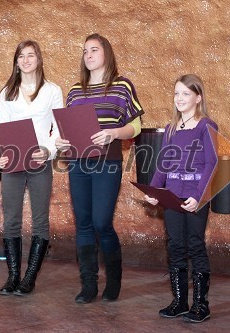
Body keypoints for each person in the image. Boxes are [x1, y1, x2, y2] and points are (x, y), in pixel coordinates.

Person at [55, 33, 144, 303]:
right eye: (85, 51)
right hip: (78, 162)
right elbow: (67, 127)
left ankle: (114, 278)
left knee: (101, 222)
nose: (89, 55)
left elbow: (136, 127)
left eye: (94, 49)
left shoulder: (121, 86)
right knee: (83, 223)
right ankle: (89, 284)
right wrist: (60, 141)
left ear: (106, 52)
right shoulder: (74, 91)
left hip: (107, 161)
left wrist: (114, 133)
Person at [144, 74, 218, 323]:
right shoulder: (171, 129)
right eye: (176, 93)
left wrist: (198, 196)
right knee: (175, 245)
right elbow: (164, 165)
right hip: (173, 197)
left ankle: (201, 305)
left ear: (198, 97)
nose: (180, 98)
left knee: (195, 244)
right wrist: (154, 191)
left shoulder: (206, 125)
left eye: (186, 93)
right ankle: (179, 301)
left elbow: (211, 162)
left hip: (195, 197)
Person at [0, 40, 63, 296]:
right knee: (11, 220)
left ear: (39, 59)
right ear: (16, 61)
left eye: (30, 55)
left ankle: (30, 278)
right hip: (11, 160)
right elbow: (0, 127)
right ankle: (13, 276)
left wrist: (49, 151)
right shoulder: (7, 92)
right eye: (21, 56)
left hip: (39, 160)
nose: (26, 60)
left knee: (40, 221)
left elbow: (59, 128)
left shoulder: (52, 91)